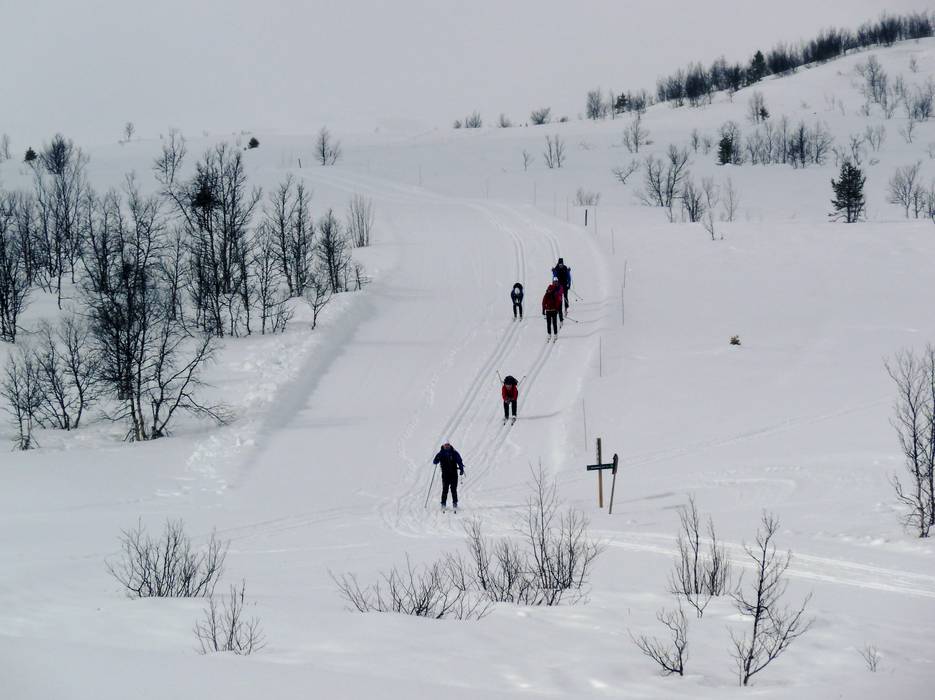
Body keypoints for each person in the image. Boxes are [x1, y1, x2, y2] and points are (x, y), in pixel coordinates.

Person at [433, 442, 465, 511]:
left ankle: (455, 504)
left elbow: (459, 461)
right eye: (445, 445)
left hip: (454, 474)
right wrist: (437, 458)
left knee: (453, 489)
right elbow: (435, 462)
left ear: (450, 445)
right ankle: (443, 504)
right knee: (445, 489)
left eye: (448, 445)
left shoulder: (454, 453)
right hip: (445, 474)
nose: (447, 446)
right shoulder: (441, 453)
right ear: (443, 446)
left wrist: (461, 469)